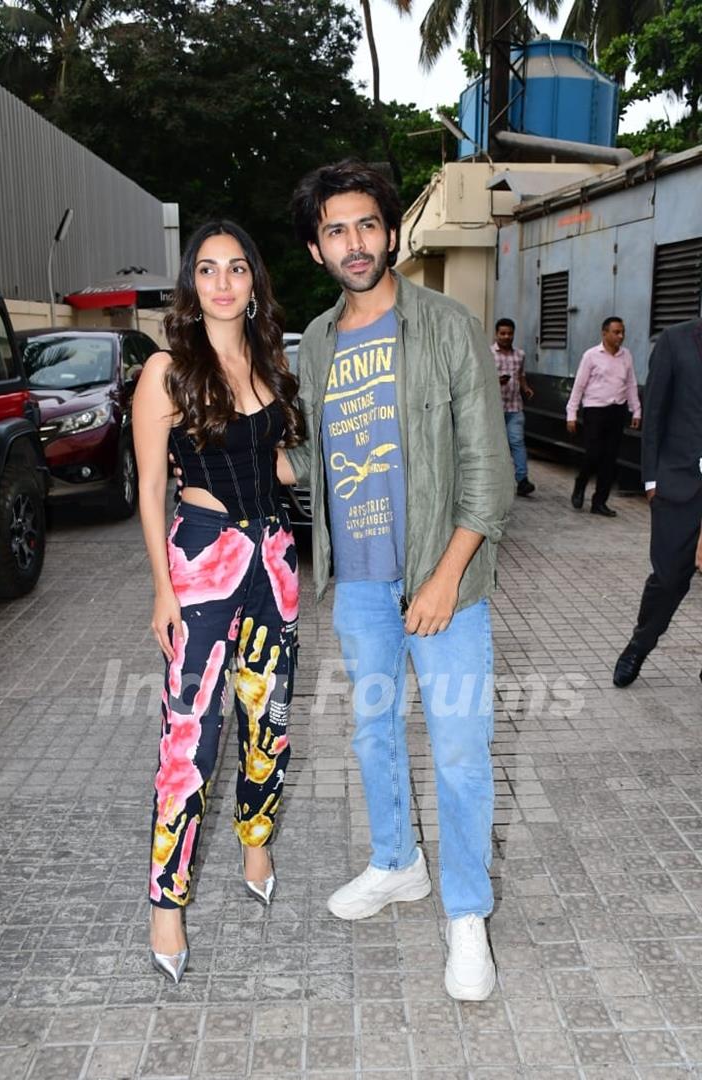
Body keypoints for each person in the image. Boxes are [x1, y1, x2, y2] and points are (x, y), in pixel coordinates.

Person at [282, 160, 514, 1001]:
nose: (355, 242)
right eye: (336, 230)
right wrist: (239, 456)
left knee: (458, 749)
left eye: (367, 224)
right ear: (316, 248)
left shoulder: (447, 325)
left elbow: (487, 475)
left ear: (390, 232)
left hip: (440, 576)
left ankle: (465, 913)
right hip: (361, 584)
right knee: (373, 735)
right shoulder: (314, 340)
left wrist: (448, 578)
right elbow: (315, 453)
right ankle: (396, 863)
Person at [133, 220, 304, 984]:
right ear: (191, 283)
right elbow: (147, 488)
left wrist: (295, 464)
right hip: (201, 560)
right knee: (190, 738)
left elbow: (276, 460)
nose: (224, 282)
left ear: (254, 281)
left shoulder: (269, 361)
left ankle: (255, 839)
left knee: (267, 717)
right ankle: (166, 902)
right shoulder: (166, 370)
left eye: (237, 268)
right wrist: (161, 589)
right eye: (208, 269)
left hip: (273, 558)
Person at [613, 318, 702, 687]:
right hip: (677, 484)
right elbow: (656, 413)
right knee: (669, 579)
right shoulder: (676, 340)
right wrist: (651, 480)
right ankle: (639, 644)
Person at [566, 316, 641, 516]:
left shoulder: (626, 356)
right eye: (616, 332)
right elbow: (579, 386)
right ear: (604, 333)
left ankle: (599, 502)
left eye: (622, 332)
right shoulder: (591, 356)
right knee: (593, 453)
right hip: (595, 410)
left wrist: (636, 409)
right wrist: (571, 414)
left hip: (617, 411)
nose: (621, 336)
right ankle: (581, 483)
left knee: (610, 458)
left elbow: (631, 384)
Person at [492, 317, 535, 496]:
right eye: (502, 333)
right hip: (493, 408)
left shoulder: (520, 355)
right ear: (496, 334)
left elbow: (521, 375)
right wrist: (496, 381)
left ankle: (522, 480)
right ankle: (493, 481)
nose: (506, 336)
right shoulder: (487, 353)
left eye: (510, 333)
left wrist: (525, 388)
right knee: (494, 445)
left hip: (514, 406)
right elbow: (479, 377)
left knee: (517, 442)